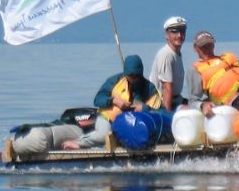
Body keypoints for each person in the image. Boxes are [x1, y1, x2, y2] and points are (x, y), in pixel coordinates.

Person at [10, 54, 158, 156]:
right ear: (125, 73)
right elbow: (98, 99)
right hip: (107, 118)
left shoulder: (149, 88)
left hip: (131, 124)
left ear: (140, 74)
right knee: (103, 136)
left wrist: (143, 108)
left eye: (136, 76)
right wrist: (113, 101)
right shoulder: (115, 81)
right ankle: (77, 143)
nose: (133, 79)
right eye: (130, 76)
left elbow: (159, 109)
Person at [186, 31, 239, 115]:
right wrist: (202, 105)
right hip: (234, 101)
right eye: (203, 47)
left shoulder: (228, 57)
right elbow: (193, 101)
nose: (207, 49)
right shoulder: (195, 69)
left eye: (209, 45)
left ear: (213, 45)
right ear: (195, 48)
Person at [150, 15, 187, 111]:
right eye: (174, 32)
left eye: (182, 31)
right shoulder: (166, 55)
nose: (179, 35)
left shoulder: (176, 53)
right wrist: (167, 116)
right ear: (167, 35)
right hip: (160, 103)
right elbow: (167, 89)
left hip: (176, 99)